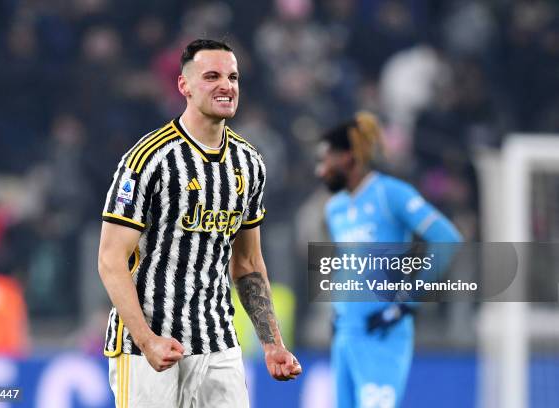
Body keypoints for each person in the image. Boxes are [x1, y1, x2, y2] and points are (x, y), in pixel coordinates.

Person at [98, 39, 301, 408]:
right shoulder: (147, 160)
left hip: (218, 342)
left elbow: (248, 264)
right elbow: (111, 259)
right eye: (212, 76)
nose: (226, 85)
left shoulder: (249, 163)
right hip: (148, 347)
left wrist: (273, 344)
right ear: (184, 86)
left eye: (233, 77)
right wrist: (146, 339)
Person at [316, 111, 462, 408]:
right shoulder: (335, 208)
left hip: (382, 332)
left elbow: (447, 239)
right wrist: (337, 309)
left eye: (325, 159)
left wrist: (407, 302)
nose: (320, 170)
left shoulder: (389, 194)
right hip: (345, 334)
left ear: (347, 158)